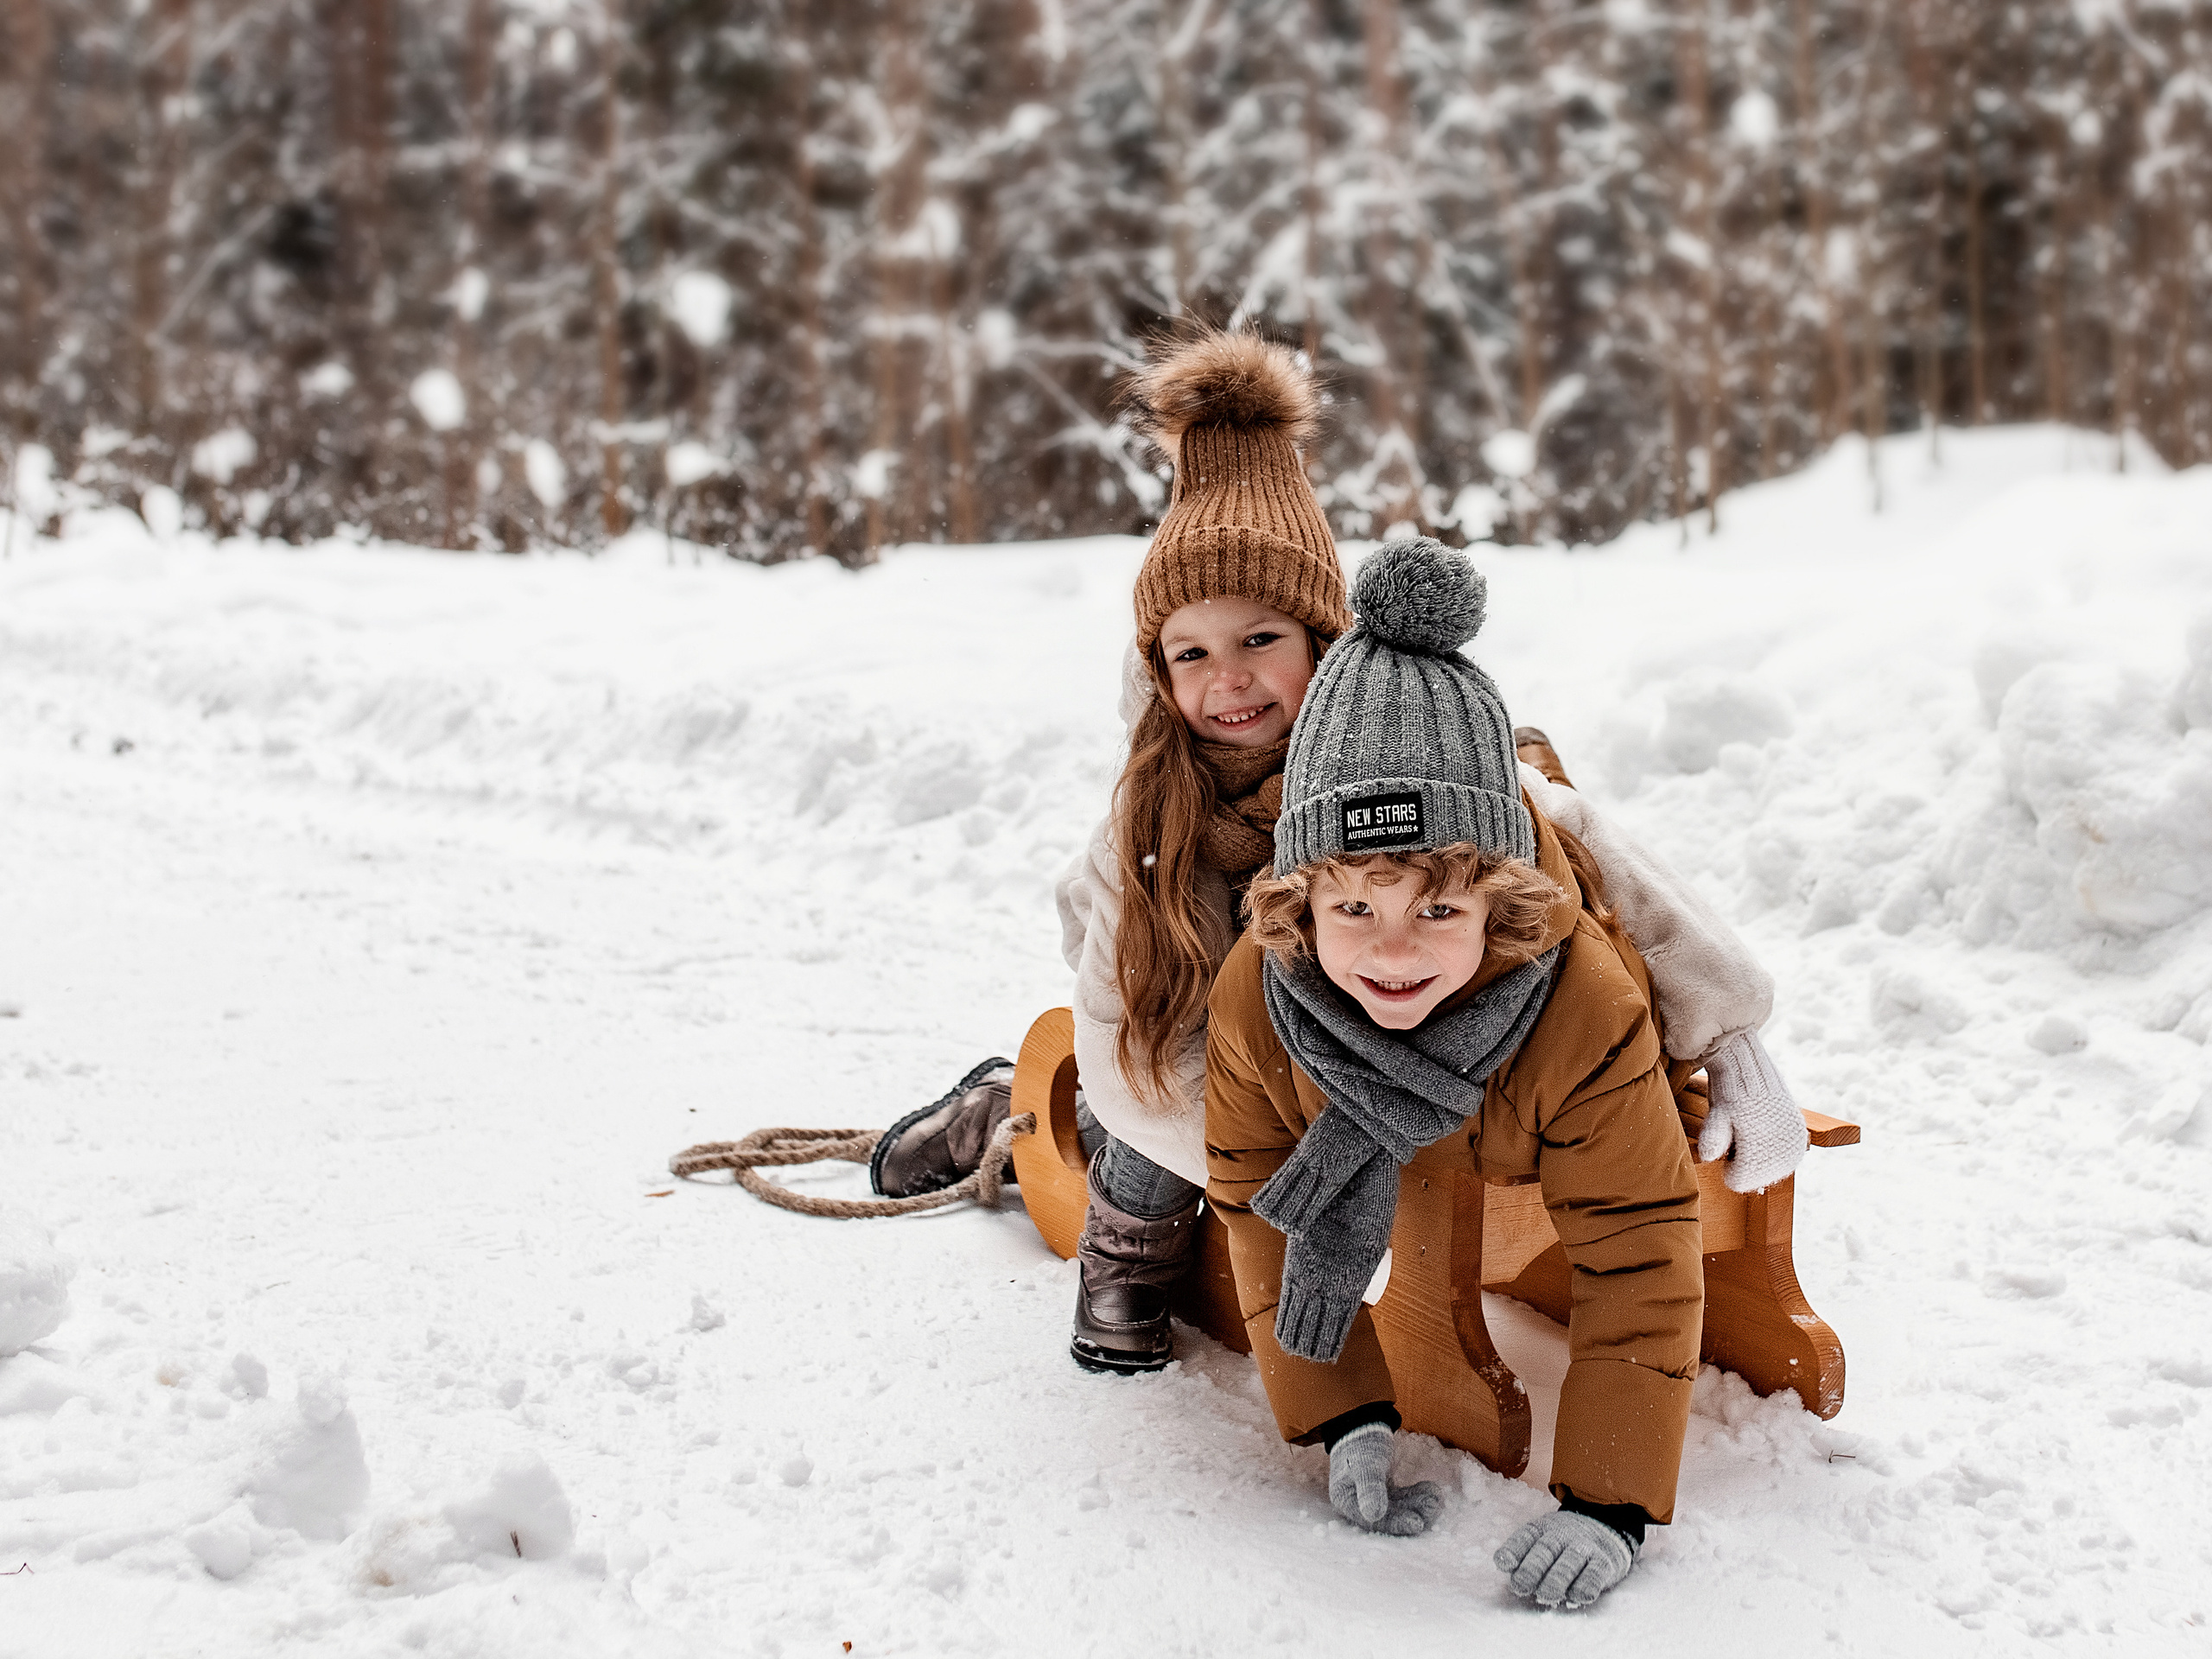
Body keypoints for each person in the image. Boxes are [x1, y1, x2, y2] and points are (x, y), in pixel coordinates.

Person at [871, 330, 1806, 1378]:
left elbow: (1591, 853)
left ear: (1322, 637)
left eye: (1261, 638)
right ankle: (1103, 1221)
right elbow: (1129, 1052)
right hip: (1187, 1061)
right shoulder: (1147, 828)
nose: (1229, 680)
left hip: (1381, 1044)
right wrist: (1302, 1174)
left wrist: (1726, 1036)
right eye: (1192, 652)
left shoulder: (1400, 765)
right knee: (1143, 1088)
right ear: (1160, 672)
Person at [1208, 537, 1708, 1608]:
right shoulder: (1259, 997)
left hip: (1537, 1117)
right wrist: (1341, 1410)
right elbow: (1259, 1202)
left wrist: (1608, 1500)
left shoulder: (1581, 1012)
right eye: (1353, 908)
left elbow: (1635, 1251)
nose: (1391, 953)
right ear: (1300, 906)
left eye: (1438, 908)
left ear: (1500, 902)